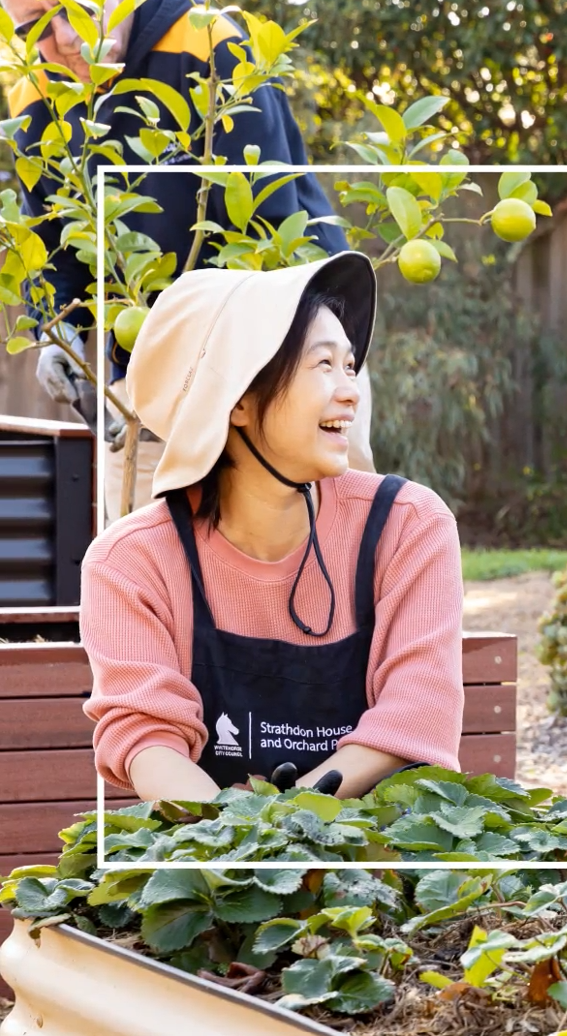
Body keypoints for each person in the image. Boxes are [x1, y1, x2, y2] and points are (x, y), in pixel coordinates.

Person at [79, 252, 462, 802]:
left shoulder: (408, 527)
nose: (351, 391)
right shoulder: (131, 563)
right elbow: (148, 740)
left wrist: (285, 820)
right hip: (216, 869)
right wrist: (243, 845)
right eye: (323, 365)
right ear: (237, 400)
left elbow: (416, 716)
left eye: (350, 366)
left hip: (382, 856)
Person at [5, 0, 374, 519]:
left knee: (331, 537)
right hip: (147, 369)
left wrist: (226, 391)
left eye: (75, 9)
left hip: (292, 344)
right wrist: (57, 331)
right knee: (141, 550)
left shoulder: (208, 43)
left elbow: (267, 233)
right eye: (36, 26)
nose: (64, 38)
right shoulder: (32, 88)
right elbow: (53, 235)